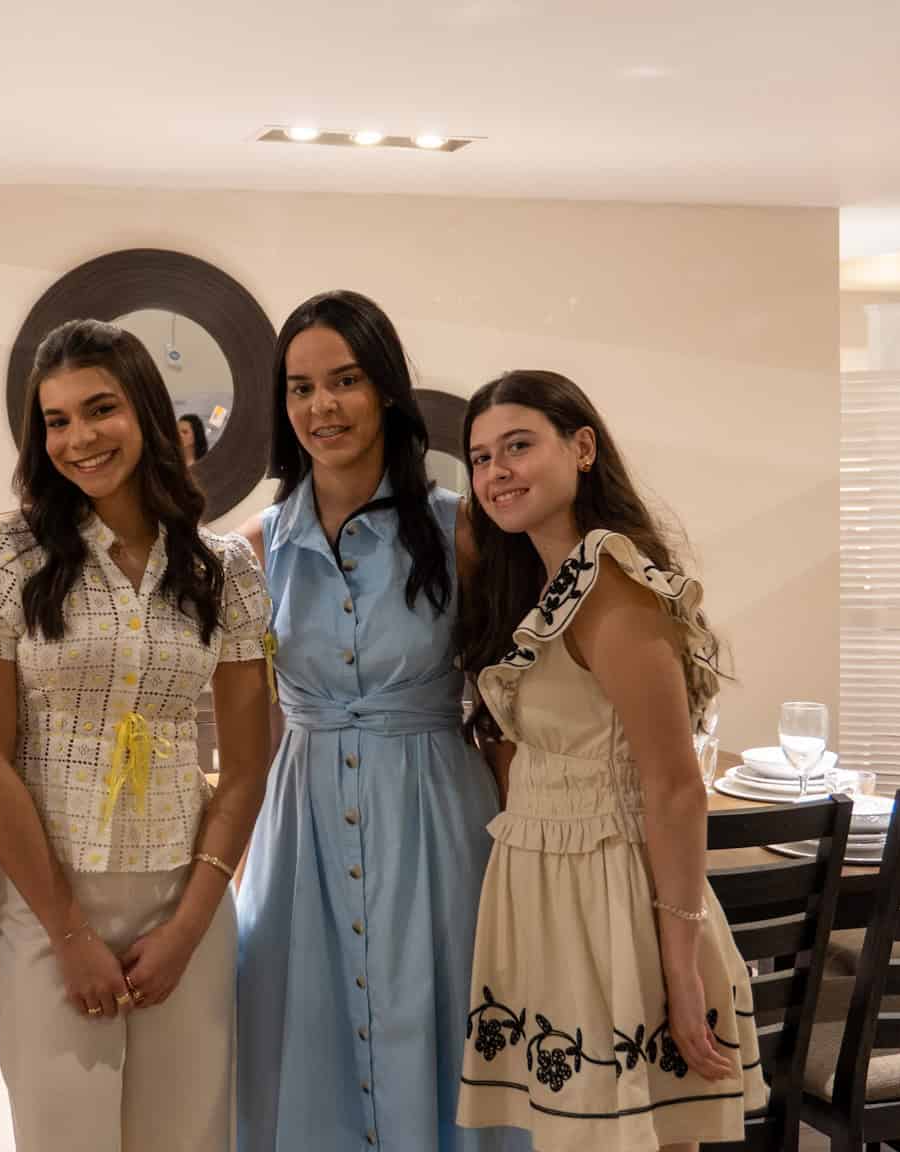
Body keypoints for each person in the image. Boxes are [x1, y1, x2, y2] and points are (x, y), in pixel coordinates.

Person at [0, 319, 273, 1152]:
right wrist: (68, 933)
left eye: (100, 409)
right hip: (48, 900)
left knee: (189, 1139)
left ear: (149, 414)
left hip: (185, 900)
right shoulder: (4, 553)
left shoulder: (223, 568)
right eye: (56, 420)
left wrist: (189, 929)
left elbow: (245, 766)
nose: (79, 438)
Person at [235, 290, 524, 1152]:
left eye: (346, 381)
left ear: (387, 391)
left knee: (436, 1020)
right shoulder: (256, 547)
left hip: (437, 816)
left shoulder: (459, 530)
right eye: (300, 388)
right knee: (306, 1031)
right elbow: (246, 727)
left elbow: (507, 708)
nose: (322, 407)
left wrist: (523, 849)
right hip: (303, 827)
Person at [454, 370, 765, 1151]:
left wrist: (682, 967)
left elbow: (674, 788)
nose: (497, 473)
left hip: (612, 891)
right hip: (548, 886)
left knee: (640, 1136)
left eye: (519, 446)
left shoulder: (611, 588)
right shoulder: (543, 583)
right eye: (482, 457)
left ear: (582, 448)